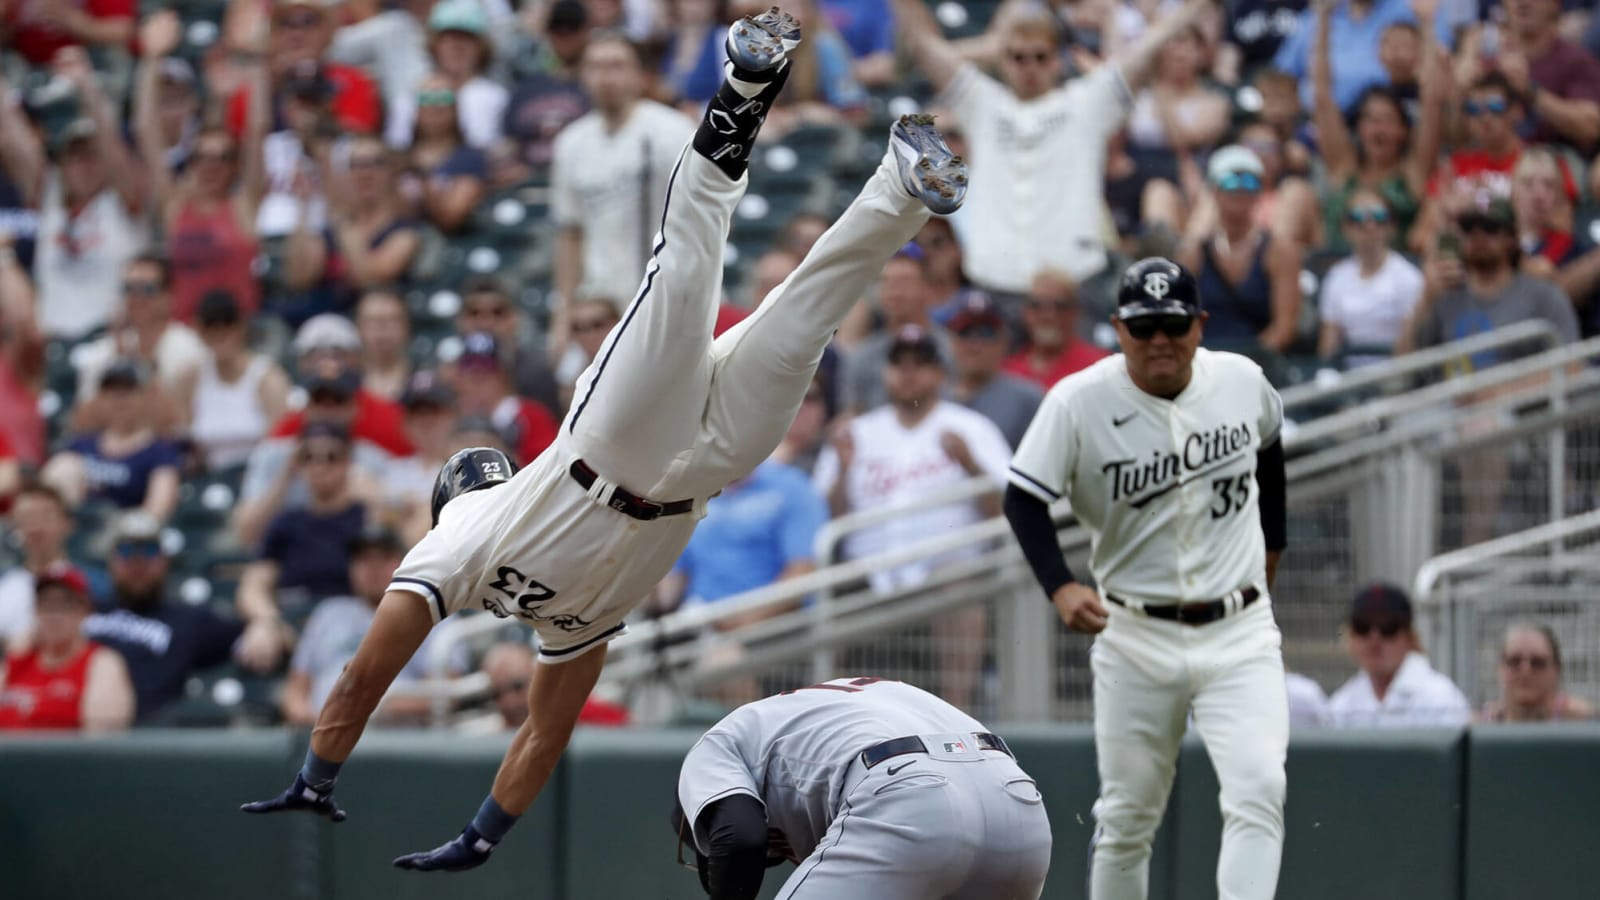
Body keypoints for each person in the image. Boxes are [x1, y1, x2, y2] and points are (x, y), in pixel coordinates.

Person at [240, 10, 971, 874]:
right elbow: (543, 736)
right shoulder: (561, 623)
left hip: (614, 446)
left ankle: (744, 83)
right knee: (801, 316)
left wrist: (324, 773)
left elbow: (370, 680)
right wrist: (478, 835)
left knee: (689, 271)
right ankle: (900, 184)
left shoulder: (462, 535)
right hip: (704, 472)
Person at [1003, 257, 1290, 900]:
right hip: (1135, 631)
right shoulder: (1078, 401)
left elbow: (1269, 448)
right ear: (1117, 329)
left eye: (1174, 323)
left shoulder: (1241, 380)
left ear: (1200, 324)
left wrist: (1274, 543)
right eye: (1144, 326)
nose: (1160, 338)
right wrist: (1060, 584)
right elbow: (1023, 497)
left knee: (1260, 787)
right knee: (1128, 816)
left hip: (1239, 631)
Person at [891, 0, 1221, 296]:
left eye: (1040, 56)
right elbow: (923, 42)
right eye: (1018, 57)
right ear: (1002, 61)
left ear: (1057, 61)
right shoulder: (982, 102)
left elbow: (1151, 45)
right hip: (994, 283)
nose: (1029, 65)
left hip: (1072, 282)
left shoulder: (1085, 103)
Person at [671, 676, 1051, 898]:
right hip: (1017, 802)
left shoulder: (715, 746)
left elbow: (738, 840)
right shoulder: (808, 713)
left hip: (908, 794)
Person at [814, 326, 1010, 710]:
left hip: (945, 574)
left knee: (959, 589)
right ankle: (831, 715)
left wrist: (971, 465)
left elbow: (1006, 512)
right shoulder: (856, 432)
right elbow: (827, 520)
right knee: (830, 600)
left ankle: (959, 714)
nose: (909, 373)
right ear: (886, 372)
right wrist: (841, 470)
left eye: (921, 364)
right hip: (867, 576)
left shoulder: (971, 428)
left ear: (940, 373)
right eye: (899, 364)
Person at [551, 33, 695, 360]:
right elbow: (569, 232)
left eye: (617, 66)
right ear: (583, 75)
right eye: (596, 67)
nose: (606, 77)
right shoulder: (571, 143)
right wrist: (563, 316)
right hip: (598, 302)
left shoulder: (672, 131)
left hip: (661, 294)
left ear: (637, 74)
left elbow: (694, 218)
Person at [0, 50, 150, 341]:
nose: (84, 164)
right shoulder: (50, 198)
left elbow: (115, 150)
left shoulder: (124, 204)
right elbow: (13, 136)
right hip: (54, 343)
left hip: (109, 340)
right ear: (62, 163)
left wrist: (87, 87)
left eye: (93, 155)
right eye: (75, 155)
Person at [84, 511, 287, 720]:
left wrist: (263, 624)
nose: (138, 561)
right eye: (126, 551)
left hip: (152, 739)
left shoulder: (189, 620)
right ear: (111, 561)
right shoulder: (85, 610)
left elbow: (259, 638)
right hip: (72, 730)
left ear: (165, 561)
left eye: (149, 550)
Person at [136, 11, 267, 323]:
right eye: (202, 157)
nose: (212, 166)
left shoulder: (243, 205)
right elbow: (145, 127)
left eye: (222, 157)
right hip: (183, 337)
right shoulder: (175, 205)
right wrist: (151, 59)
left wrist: (257, 61)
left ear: (234, 166)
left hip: (233, 336)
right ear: (190, 163)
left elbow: (257, 129)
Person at [1306, 0, 1447, 254]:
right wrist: (1323, 19)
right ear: (1359, 128)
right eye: (1370, 120)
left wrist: (1427, 24)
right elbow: (1321, 97)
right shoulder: (1343, 168)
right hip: (1337, 279)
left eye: (1388, 121)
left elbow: (1432, 99)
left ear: (1404, 131)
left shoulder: (1413, 173)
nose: (1378, 129)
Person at [281, 526, 436, 726]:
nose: (373, 568)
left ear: (405, 562)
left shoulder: (427, 611)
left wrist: (377, 710)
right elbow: (297, 687)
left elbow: (445, 694)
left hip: (392, 734)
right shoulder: (328, 613)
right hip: (319, 732)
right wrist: (308, 719)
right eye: (363, 560)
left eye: (383, 558)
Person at [237, 422, 372, 623]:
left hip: (348, 619)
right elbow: (254, 584)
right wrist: (267, 622)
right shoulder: (288, 521)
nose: (319, 466)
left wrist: (373, 493)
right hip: (292, 617)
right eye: (308, 457)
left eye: (331, 457)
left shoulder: (366, 518)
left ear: (347, 463)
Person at [1177, 145, 1303, 359]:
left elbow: (1284, 328)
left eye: (1250, 182)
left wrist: (1243, 365)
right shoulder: (1194, 254)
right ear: (1214, 191)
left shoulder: (1279, 251)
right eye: (1230, 181)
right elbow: (1181, 321)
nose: (1240, 189)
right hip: (1204, 365)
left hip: (1261, 365)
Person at [43, 361, 183, 523]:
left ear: (145, 397)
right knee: (64, 465)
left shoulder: (160, 451)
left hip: (125, 533)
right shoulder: (82, 444)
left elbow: (158, 508)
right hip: (79, 527)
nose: (119, 398)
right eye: (111, 391)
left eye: (128, 390)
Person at [0, 564, 134, 732]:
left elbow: (102, 742)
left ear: (84, 609)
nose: (53, 615)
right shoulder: (17, 660)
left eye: (64, 604)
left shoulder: (101, 663)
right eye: (46, 604)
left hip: (62, 757)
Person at [1325, 583, 1470, 727]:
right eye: (1362, 627)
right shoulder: (1343, 703)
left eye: (1388, 628)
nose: (1374, 639)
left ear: (1409, 637)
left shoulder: (1440, 697)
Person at [177, 292, 292, 472]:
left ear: (242, 326)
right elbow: (185, 440)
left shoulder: (268, 379)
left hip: (255, 475)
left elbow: (280, 445)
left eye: (227, 324)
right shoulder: (190, 378)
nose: (219, 333)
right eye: (210, 326)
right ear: (199, 330)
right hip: (207, 477)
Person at [1317, 189, 1424, 368]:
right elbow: (1328, 347)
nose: (1369, 225)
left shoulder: (1408, 277)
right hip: (1350, 383)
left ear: (1391, 226)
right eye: (1358, 217)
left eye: (1379, 216)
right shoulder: (1336, 277)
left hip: (1396, 379)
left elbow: (1412, 347)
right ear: (1346, 228)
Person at [946, 293, 1043, 450]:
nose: (975, 345)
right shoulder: (931, 397)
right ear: (951, 340)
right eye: (965, 332)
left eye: (987, 333)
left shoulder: (1027, 399)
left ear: (1004, 340)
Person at [0, 484, 89, 654]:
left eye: (44, 517)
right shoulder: (4, 586)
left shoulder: (90, 583)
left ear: (67, 524)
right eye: (26, 519)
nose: (35, 528)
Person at [402, 71, 490, 235]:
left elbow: (451, 219)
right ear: (416, 109)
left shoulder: (470, 158)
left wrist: (422, 178)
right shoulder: (398, 158)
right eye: (426, 99)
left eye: (444, 98)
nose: (435, 106)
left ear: (456, 108)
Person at [454, 332, 558, 465]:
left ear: (503, 375)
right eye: (469, 370)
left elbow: (546, 468)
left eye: (485, 371)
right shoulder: (447, 414)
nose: (476, 379)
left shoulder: (531, 416)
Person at [1002, 270, 1107, 390]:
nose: (1047, 315)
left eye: (1059, 306)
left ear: (1075, 312)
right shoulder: (1006, 371)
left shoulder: (1098, 368)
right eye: (1036, 305)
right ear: (1025, 312)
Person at [1478, 623, 1596, 722]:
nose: (1525, 671)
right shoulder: (1482, 727)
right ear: (1500, 668)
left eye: (1537, 663)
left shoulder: (1584, 724)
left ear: (1556, 669)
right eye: (1514, 662)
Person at [354, 289, 413, 401]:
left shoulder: (425, 378)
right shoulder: (345, 381)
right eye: (372, 321)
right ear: (358, 327)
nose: (382, 329)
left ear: (407, 326)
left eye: (392, 320)